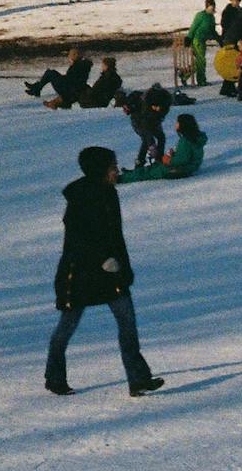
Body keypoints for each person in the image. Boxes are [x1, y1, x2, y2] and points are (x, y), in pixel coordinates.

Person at [45, 147, 162, 398]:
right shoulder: (80, 198)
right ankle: (54, 378)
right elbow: (78, 239)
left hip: (111, 273)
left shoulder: (110, 194)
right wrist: (103, 259)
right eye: (112, 166)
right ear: (99, 169)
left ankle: (139, 379)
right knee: (66, 327)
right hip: (79, 275)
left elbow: (117, 238)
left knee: (127, 323)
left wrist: (124, 267)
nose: (116, 170)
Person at [122, 114, 207, 182]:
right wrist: (173, 154)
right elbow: (187, 155)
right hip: (188, 168)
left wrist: (168, 160)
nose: (176, 124)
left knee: (150, 172)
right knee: (154, 168)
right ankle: (132, 173)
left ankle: (122, 178)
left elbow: (182, 159)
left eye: (177, 122)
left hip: (180, 169)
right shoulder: (195, 138)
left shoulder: (186, 141)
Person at [25, 50, 93, 108]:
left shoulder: (76, 66)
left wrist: (61, 78)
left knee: (50, 73)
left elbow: (71, 80)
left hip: (67, 89)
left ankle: (37, 88)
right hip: (70, 87)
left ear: (74, 56)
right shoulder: (81, 65)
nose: (68, 57)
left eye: (70, 55)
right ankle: (36, 88)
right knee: (51, 72)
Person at [124, 84, 170, 168]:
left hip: (154, 120)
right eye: (155, 106)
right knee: (146, 140)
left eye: (159, 107)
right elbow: (145, 129)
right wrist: (151, 145)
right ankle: (140, 161)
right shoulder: (144, 105)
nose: (158, 108)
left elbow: (159, 118)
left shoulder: (165, 102)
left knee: (161, 137)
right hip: (138, 121)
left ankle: (159, 159)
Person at [188, 0, 218, 87]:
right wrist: (189, 38)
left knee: (200, 61)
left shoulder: (212, 17)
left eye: (213, 7)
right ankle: (201, 81)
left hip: (203, 41)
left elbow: (212, 30)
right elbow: (194, 27)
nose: (211, 9)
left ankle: (185, 75)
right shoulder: (200, 15)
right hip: (197, 40)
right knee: (201, 61)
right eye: (210, 7)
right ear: (206, 7)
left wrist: (218, 39)